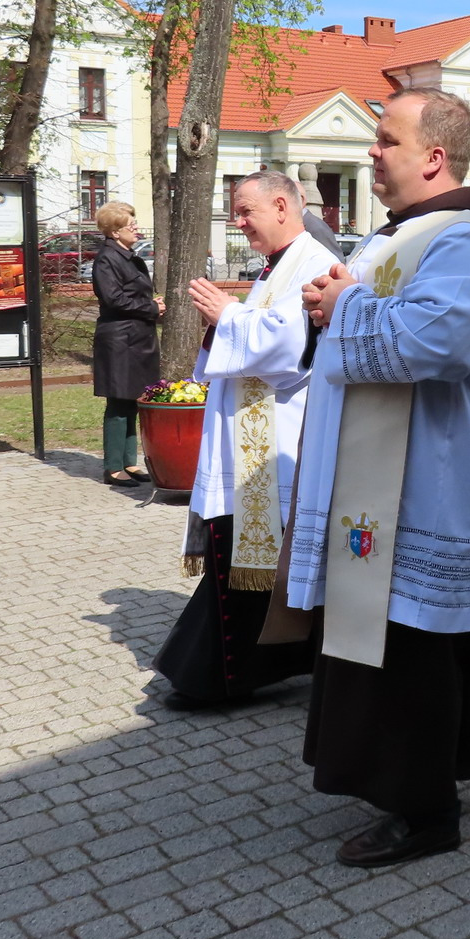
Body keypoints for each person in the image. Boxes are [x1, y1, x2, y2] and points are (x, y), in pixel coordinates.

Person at [284, 87, 470, 867]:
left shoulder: (460, 241)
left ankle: (428, 809)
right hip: (380, 488)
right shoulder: (392, 237)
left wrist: (343, 306)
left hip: (432, 483)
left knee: (419, 647)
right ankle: (399, 781)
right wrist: (334, 303)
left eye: (385, 139)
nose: (371, 152)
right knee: (387, 639)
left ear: (434, 155)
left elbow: (441, 345)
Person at [152, 172, 337, 707]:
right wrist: (227, 323)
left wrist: (226, 316)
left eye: (244, 211)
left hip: (275, 446)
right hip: (248, 441)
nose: (238, 222)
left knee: (244, 567)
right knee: (240, 563)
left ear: (281, 205)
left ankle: (216, 677)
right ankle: (274, 663)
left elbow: (293, 349)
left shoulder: (313, 260)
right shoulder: (277, 264)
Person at [90, 202, 163, 487]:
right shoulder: (106, 259)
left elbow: (133, 293)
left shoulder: (132, 257)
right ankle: (112, 467)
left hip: (138, 337)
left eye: (134, 222)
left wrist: (150, 304)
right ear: (114, 231)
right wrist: (151, 309)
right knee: (119, 403)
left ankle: (130, 462)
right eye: (130, 224)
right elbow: (114, 299)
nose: (136, 228)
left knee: (134, 400)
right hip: (119, 339)